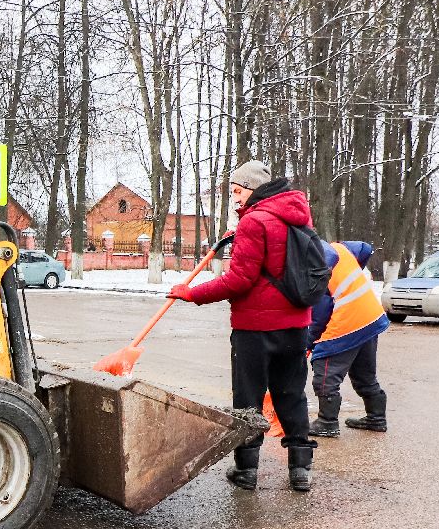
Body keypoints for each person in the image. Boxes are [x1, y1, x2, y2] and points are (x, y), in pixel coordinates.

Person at [167, 160, 318, 492]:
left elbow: (239, 281)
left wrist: (192, 294)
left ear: (253, 189)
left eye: (237, 192)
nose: (235, 199)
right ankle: (300, 470)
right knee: (291, 395)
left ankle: (247, 470)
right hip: (294, 326)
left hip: (255, 328)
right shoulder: (297, 218)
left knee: (248, 398)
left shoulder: (254, 222)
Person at [308, 240, 390, 437]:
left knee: (324, 366)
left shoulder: (315, 265)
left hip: (349, 319)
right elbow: (364, 248)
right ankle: (376, 418)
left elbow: (319, 315)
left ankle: (327, 422)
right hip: (370, 317)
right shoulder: (339, 248)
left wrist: (309, 343)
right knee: (365, 375)